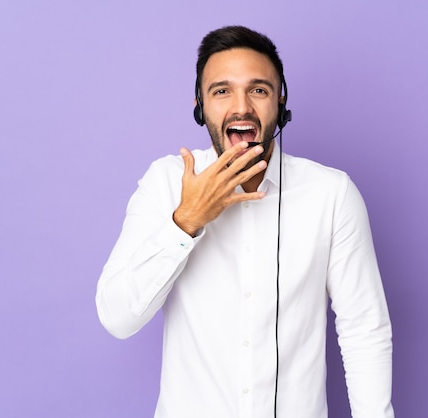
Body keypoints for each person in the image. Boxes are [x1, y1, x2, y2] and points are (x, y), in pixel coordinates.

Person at [96, 25, 394, 418]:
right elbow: (117, 318)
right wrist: (185, 221)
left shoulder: (332, 194)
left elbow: (363, 332)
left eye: (258, 90)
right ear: (200, 106)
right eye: (221, 91)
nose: (241, 107)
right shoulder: (165, 182)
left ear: (280, 102)